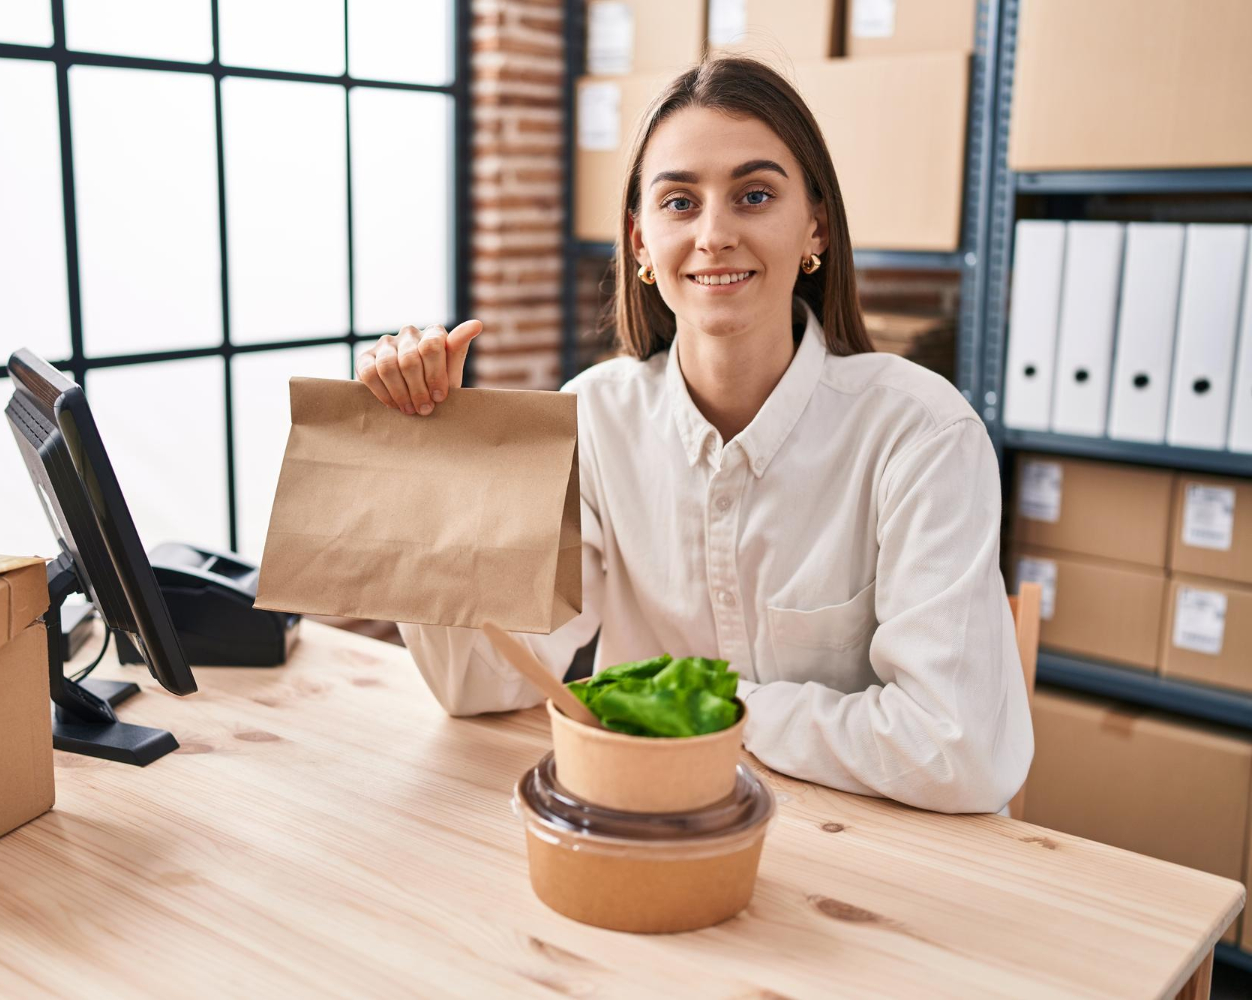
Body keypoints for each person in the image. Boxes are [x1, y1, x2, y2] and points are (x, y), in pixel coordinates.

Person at [353, 57, 1032, 815]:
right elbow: (481, 684)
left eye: (754, 195)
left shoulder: (922, 432)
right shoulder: (597, 418)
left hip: (881, 862)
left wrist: (698, 707)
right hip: (654, 830)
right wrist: (421, 465)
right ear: (641, 244)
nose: (714, 235)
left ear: (816, 226)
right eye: (680, 202)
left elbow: (957, 751)